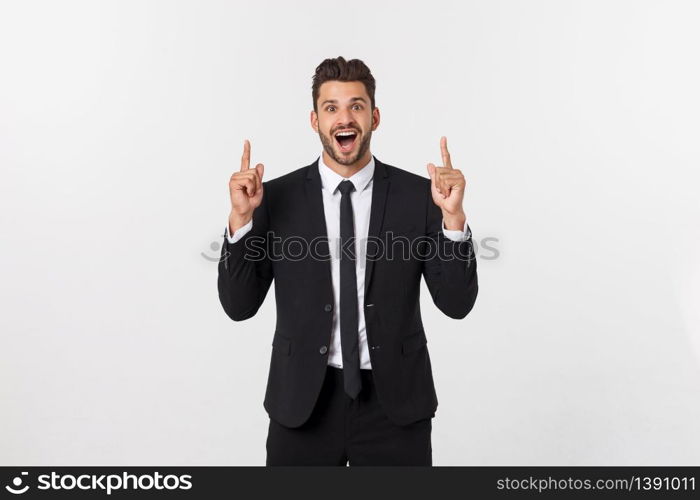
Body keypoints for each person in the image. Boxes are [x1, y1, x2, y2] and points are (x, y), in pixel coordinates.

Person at [217, 56, 478, 465]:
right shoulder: (273, 198)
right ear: (314, 120)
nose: (345, 118)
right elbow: (238, 305)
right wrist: (241, 220)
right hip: (302, 404)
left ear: (374, 117)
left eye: (356, 106)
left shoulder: (420, 198)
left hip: (395, 407)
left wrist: (453, 218)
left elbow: (457, 304)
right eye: (332, 107)